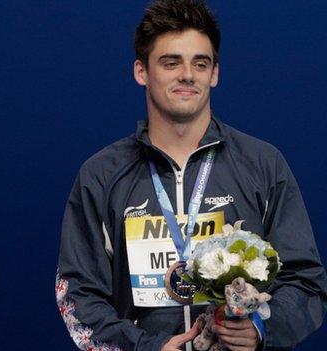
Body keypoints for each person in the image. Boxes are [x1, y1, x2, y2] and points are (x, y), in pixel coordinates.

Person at [55, 1, 327, 350]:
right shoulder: (102, 175)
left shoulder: (263, 164)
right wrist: (146, 347)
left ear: (214, 73)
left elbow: (306, 282)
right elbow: (77, 296)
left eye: (201, 63)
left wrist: (260, 329)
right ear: (141, 72)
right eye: (171, 63)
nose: (187, 74)